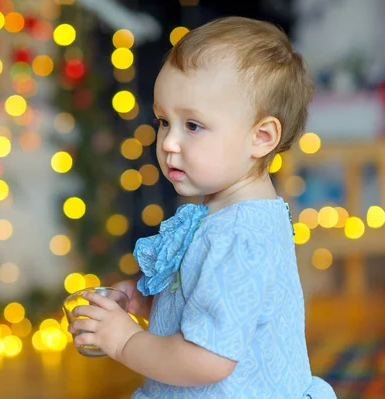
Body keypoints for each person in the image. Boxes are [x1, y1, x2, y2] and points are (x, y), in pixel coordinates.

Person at [68, 16, 337, 398]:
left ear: (261, 137)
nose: (168, 143)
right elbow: (207, 300)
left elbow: (208, 358)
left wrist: (124, 340)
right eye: (164, 121)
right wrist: (147, 301)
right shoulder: (228, 217)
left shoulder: (238, 236)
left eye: (192, 125)